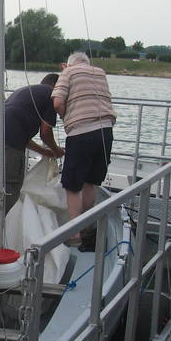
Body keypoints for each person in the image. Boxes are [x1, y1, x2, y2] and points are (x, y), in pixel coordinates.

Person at [52, 52, 116, 246]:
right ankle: (86, 228)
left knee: (72, 186)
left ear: (67, 65)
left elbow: (57, 102)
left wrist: (66, 116)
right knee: (90, 182)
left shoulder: (68, 72)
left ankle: (74, 235)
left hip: (81, 133)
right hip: (106, 132)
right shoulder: (100, 72)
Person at [0, 74, 65, 214]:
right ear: (57, 87)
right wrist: (56, 150)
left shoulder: (27, 91)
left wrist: (43, 151)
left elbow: (21, 136)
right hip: (9, 134)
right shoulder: (51, 95)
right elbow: (45, 133)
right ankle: (2, 221)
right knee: (10, 185)